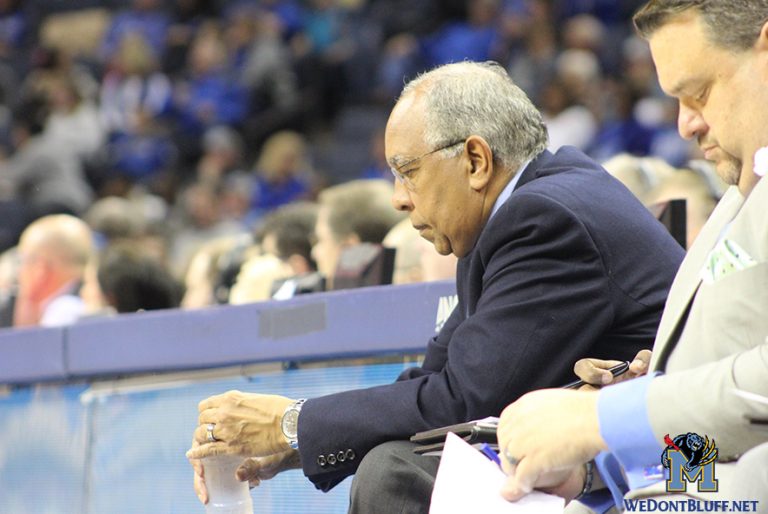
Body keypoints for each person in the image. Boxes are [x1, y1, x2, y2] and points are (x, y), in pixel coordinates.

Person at [186, 61, 684, 513]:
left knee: (395, 472)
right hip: (620, 463)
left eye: (407, 172)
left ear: (475, 161)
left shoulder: (545, 218)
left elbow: (466, 400)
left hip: (674, 466)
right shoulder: (513, 213)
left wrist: (290, 422)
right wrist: (288, 445)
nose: (398, 199)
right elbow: (435, 381)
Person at [496, 2, 768, 510]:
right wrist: (596, 467)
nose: (685, 124)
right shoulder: (741, 196)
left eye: (699, 93)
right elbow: (714, 445)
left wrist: (604, 418)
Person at [3, 214, 93, 328]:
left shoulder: (65, 312)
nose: (18, 272)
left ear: (41, 269)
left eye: (22, 261)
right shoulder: (94, 301)